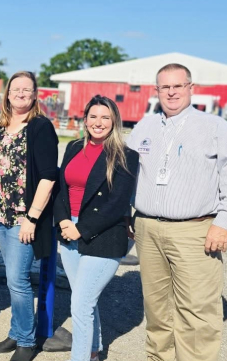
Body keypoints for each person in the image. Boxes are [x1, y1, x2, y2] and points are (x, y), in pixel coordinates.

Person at [128, 63, 227, 361]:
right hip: (147, 230)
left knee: (197, 312)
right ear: (156, 91)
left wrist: (224, 222)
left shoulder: (214, 128)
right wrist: (127, 213)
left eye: (178, 86)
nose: (171, 92)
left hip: (195, 231)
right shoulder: (144, 128)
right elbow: (126, 174)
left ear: (191, 88)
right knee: (157, 309)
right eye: (165, 87)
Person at [53, 95, 138, 361]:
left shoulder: (126, 156)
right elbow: (61, 189)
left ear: (114, 122)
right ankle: (93, 350)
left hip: (102, 236)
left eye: (105, 117)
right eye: (93, 116)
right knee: (85, 299)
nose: (98, 123)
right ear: (85, 118)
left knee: (80, 304)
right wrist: (64, 220)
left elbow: (118, 203)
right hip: (69, 231)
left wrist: (82, 228)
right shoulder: (74, 147)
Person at [0, 71, 58, 361]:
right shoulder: (1, 127)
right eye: (16, 89)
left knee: (17, 279)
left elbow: (49, 178)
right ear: (8, 94)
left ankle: (27, 340)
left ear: (36, 95)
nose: (21, 93)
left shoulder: (40, 127)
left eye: (27, 89)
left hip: (22, 218)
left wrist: (33, 217)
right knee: (14, 280)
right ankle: (17, 332)